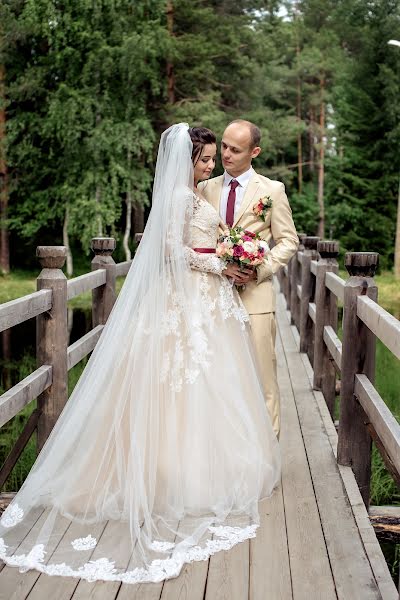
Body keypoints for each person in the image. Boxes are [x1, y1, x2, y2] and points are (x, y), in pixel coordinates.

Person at [0, 124, 280, 585]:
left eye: (213, 159)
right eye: (204, 159)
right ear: (186, 159)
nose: (210, 166)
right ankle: (173, 476)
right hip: (189, 296)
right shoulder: (175, 199)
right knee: (182, 379)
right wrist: (218, 263)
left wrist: (231, 256)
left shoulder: (191, 194)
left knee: (205, 382)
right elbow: (170, 246)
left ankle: (200, 466)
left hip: (204, 297)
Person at [199, 120, 298, 437]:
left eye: (234, 149)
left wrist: (259, 268)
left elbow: (288, 241)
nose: (225, 154)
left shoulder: (272, 191)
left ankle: (269, 455)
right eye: (224, 146)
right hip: (212, 296)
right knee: (217, 377)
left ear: (254, 152)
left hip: (256, 298)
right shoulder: (204, 188)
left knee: (262, 378)